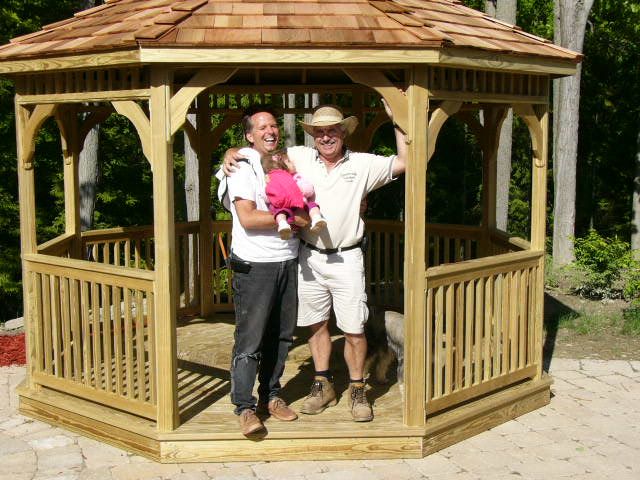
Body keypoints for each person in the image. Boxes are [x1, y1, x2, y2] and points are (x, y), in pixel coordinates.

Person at [224, 101, 407, 422]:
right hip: (308, 257)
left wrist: (399, 121)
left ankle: (357, 388)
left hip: (347, 258)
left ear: (343, 132)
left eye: (332, 131)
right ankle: (322, 385)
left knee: (353, 329)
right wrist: (230, 151)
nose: (325, 138)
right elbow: (262, 151)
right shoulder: (300, 156)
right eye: (319, 132)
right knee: (316, 325)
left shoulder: (364, 164)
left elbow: (407, 161)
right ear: (313, 136)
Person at [218, 106, 309, 436]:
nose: (270, 130)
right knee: (250, 339)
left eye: (273, 125)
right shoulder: (241, 165)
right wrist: (293, 219)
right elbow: (248, 218)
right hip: (254, 265)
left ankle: (272, 396)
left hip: (287, 259)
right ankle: (244, 407)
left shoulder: (286, 160)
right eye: (261, 127)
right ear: (249, 135)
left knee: (282, 336)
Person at [261, 149, 327, 239]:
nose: (293, 163)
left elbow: (266, 197)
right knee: (312, 205)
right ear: (281, 166)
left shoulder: (271, 179)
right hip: (299, 203)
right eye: (288, 161)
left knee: (279, 212)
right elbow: (309, 190)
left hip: (284, 207)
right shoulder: (295, 177)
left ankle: (283, 223)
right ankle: (315, 217)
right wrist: (297, 190)